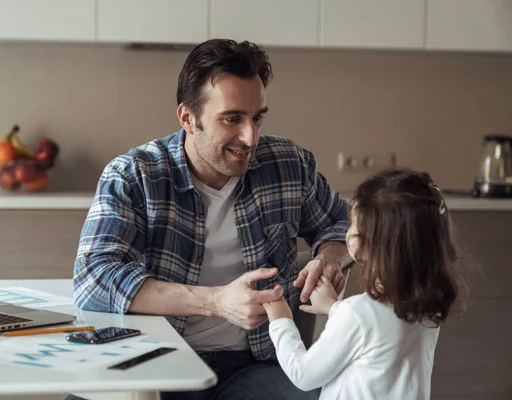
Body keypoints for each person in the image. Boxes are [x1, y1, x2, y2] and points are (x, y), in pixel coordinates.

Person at [70, 38, 351, 400]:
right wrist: (216, 301)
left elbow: (342, 226)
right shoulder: (134, 175)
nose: (250, 136)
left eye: (257, 117)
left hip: (258, 366)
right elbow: (94, 277)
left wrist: (328, 258)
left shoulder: (289, 165)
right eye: (232, 118)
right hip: (157, 360)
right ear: (188, 117)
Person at [262, 168, 467, 400]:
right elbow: (379, 330)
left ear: (373, 244)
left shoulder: (357, 314)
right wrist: (334, 308)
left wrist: (280, 320)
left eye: (353, 225)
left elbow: (303, 375)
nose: (348, 232)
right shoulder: (428, 301)